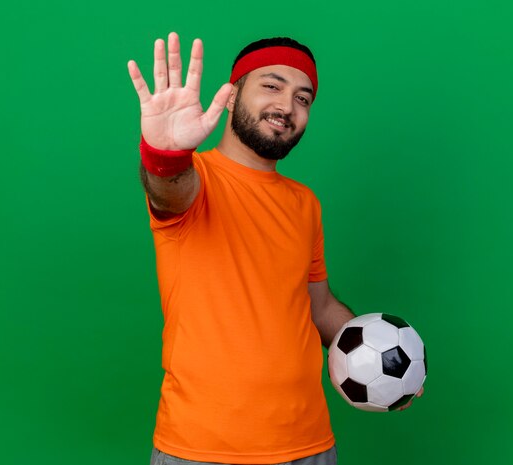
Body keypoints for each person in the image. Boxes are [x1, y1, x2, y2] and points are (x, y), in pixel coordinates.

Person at [127, 32, 421, 465]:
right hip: (202, 447)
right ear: (230, 96)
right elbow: (168, 191)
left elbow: (318, 307)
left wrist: (387, 358)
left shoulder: (304, 203)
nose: (287, 106)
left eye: (303, 98)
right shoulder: (198, 180)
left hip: (309, 444)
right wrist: (165, 155)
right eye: (271, 85)